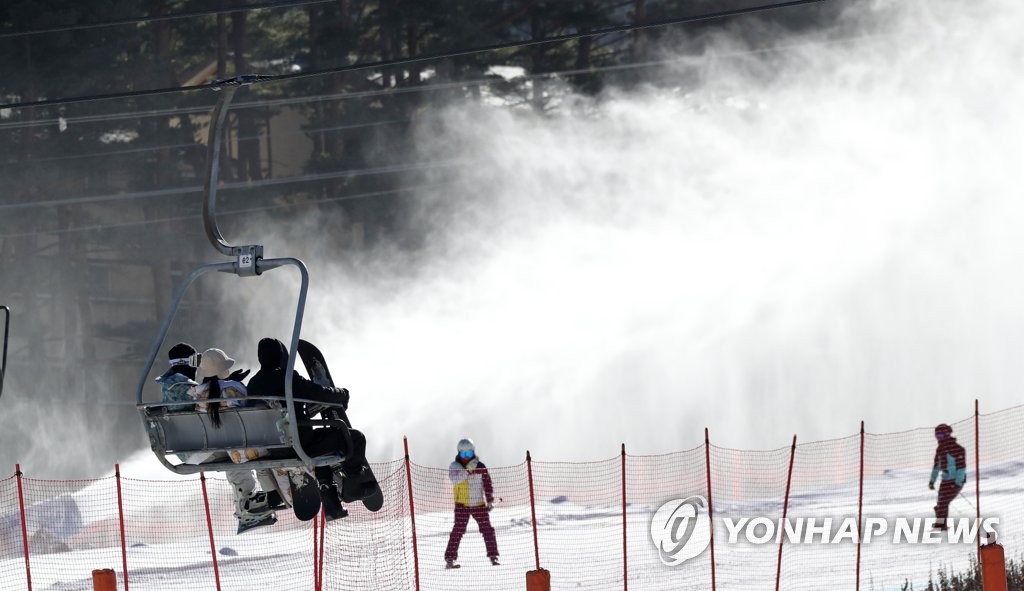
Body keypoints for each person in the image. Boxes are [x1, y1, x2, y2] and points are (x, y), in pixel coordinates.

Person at [245, 337, 374, 521]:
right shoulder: (288, 378)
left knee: (319, 448)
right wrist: (342, 393)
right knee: (354, 437)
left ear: (260, 358)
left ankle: (332, 505)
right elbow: (319, 393)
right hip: (300, 445)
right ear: (281, 357)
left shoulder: (253, 385)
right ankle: (351, 486)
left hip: (275, 449)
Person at [192, 347, 283, 533]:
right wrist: (235, 382)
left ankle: (246, 509)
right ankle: (275, 494)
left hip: (213, 448)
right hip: (243, 447)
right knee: (267, 450)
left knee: (233, 460)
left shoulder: (197, 394)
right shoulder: (235, 388)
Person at [444, 438, 499, 569]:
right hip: (462, 505)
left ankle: (493, 556)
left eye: (469, 454)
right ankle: (450, 558)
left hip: (478, 504)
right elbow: (455, 479)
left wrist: (490, 499)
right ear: (458, 453)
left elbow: (487, 483)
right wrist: (467, 471)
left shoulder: (480, 466)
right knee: (458, 531)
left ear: (473, 452)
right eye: (463, 455)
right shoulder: (455, 466)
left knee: (487, 530)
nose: (466, 458)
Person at [928, 423, 966, 530]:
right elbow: (936, 467)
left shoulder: (957, 449)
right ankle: (940, 523)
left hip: (956, 481)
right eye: (937, 436)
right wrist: (932, 481)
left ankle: (941, 525)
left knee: (943, 501)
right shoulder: (940, 449)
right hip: (945, 480)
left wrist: (957, 483)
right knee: (941, 501)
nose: (938, 439)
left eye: (940, 436)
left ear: (947, 434)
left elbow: (961, 468)